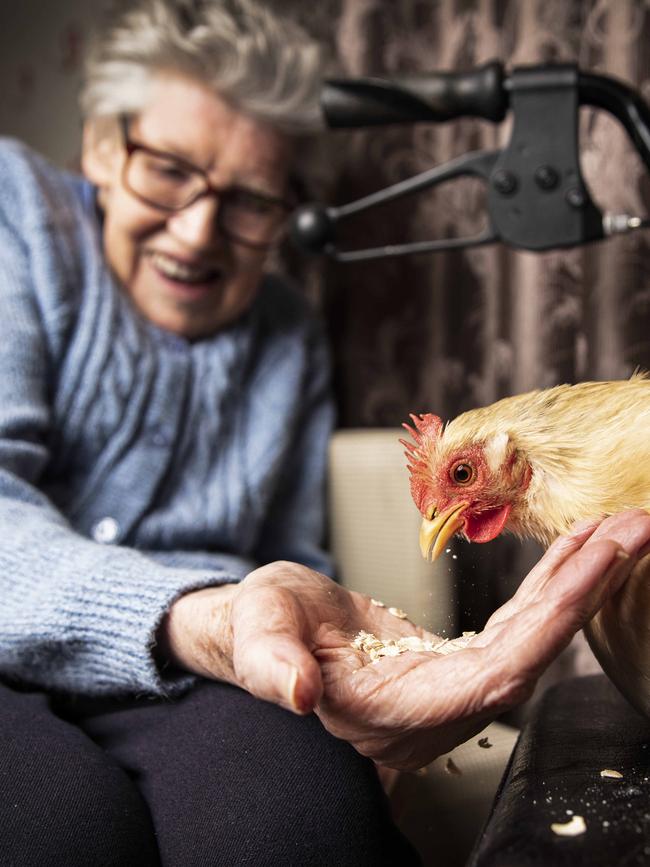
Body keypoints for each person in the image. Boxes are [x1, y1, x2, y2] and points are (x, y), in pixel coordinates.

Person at [1, 1, 649, 865]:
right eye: (166, 169)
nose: (198, 231)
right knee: (59, 827)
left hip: (218, 665)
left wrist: (333, 666)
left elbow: (282, 550)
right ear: (100, 146)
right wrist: (215, 616)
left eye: (248, 200)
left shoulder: (284, 327)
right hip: (52, 648)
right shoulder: (20, 219)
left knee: (307, 825)